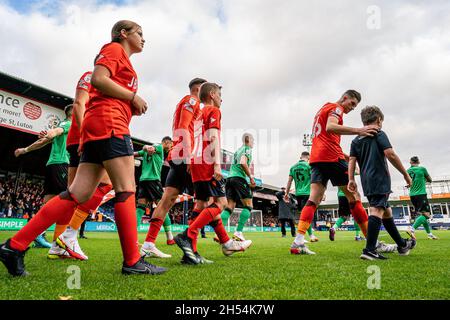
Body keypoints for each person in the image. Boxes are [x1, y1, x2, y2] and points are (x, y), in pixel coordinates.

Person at [0, 20, 166, 276]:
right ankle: (132, 261)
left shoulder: (123, 58)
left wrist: (129, 104)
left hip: (100, 126)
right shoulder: (114, 49)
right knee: (125, 190)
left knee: (76, 193)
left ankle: (15, 245)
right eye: (140, 33)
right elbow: (99, 79)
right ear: (123, 34)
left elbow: (105, 89)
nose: (144, 39)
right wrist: (132, 97)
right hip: (111, 125)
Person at [174, 82, 252, 265]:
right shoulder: (213, 111)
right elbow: (213, 137)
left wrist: (191, 159)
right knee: (221, 203)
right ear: (211, 95)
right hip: (207, 162)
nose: (221, 98)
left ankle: (190, 253)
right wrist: (217, 165)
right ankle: (188, 235)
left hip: (196, 161)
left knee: (200, 204)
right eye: (219, 95)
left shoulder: (198, 114)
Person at [290, 90, 375, 255]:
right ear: (344, 98)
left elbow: (325, 138)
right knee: (354, 196)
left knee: (313, 200)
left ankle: (298, 242)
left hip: (316, 159)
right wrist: (359, 130)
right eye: (351, 103)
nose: (352, 108)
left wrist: (348, 156)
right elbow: (330, 127)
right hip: (332, 159)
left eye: (355, 106)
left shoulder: (324, 108)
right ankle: (373, 242)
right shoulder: (337, 108)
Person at [140, 77, 207, 258]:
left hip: (177, 155)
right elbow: (184, 127)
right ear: (198, 89)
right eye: (205, 88)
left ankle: (148, 244)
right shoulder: (191, 101)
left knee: (167, 200)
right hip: (183, 156)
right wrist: (189, 154)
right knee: (205, 200)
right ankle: (208, 244)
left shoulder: (186, 103)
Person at [51, 69, 114, 261]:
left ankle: (57, 245)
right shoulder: (92, 76)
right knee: (105, 185)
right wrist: (83, 135)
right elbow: (79, 103)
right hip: (86, 139)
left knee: (72, 195)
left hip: (81, 139)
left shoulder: (103, 82)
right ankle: (69, 234)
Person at [348, 105, 416, 260]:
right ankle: (369, 250)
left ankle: (402, 244)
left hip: (366, 180)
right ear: (379, 119)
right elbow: (390, 154)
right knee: (377, 210)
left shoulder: (356, 139)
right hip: (379, 178)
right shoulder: (378, 133)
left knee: (386, 211)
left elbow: (352, 160)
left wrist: (351, 179)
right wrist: (406, 175)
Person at [14, 104, 73, 249]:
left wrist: (25, 149)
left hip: (53, 165)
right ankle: (56, 238)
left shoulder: (68, 126)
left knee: (48, 203)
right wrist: (50, 133)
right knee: (66, 200)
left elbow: (43, 141)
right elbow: (55, 132)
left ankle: (37, 234)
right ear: (72, 113)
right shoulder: (68, 123)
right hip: (61, 165)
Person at [135, 136, 174, 259]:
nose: (170, 148)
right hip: (153, 180)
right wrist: (146, 147)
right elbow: (149, 147)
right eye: (170, 145)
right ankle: (170, 238)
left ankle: (132, 238)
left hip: (143, 180)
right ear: (166, 142)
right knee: (163, 206)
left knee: (140, 208)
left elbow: (136, 154)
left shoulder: (155, 149)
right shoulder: (159, 147)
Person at [220, 133, 256, 241]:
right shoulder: (247, 149)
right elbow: (243, 163)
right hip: (239, 178)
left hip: (230, 179)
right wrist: (251, 177)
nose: (253, 143)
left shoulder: (237, 151)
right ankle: (239, 232)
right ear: (248, 140)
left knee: (230, 206)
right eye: (253, 141)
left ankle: (220, 233)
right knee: (249, 206)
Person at [284, 151, 319, 242]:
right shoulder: (309, 166)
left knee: (304, 215)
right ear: (308, 157)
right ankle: (308, 236)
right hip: (308, 193)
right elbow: (314, 180)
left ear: (300, 157)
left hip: (298, 194)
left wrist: (286, 193)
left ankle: (305, 236)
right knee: (307, 215)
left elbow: (289, 181)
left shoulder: (293, 167)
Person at [406, 156, 438, 240]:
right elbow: (430, 180)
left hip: (412, 195)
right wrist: (424, 179)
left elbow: (409, 182)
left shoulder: (408, 171)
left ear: (410, 162)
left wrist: (410, 184)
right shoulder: (422, 169)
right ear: (419, 161)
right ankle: (412, 229)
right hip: (421, 194)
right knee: (427, 215)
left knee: (423, 215)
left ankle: (429, 234)